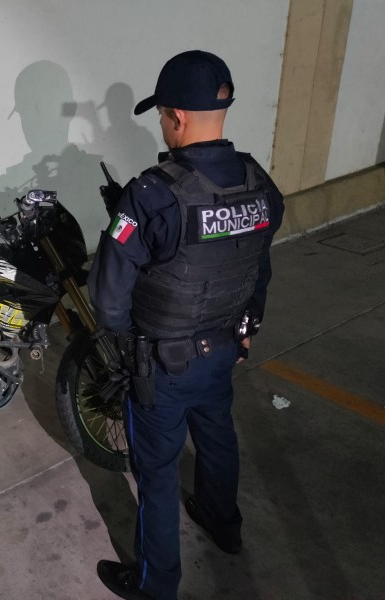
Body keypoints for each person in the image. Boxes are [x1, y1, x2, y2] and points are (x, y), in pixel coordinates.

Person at [89, 51, 285, 600]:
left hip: (164, 364)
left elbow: (107, 295)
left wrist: (126, 349)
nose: (162, 125)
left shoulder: (152, 193)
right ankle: (224, 526)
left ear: (175, 116)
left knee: (156, 472)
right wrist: (247, 327)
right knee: (218, 435)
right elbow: (259, 266)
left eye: (161, 116)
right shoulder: (260, 183)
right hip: (225, 348)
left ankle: (157, 585)